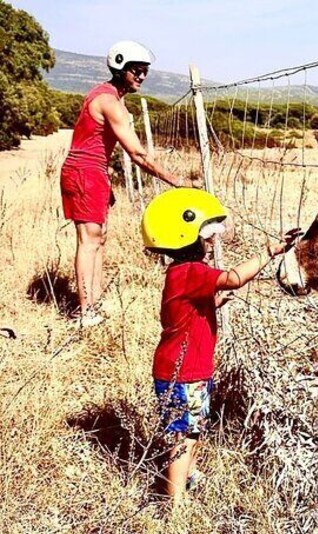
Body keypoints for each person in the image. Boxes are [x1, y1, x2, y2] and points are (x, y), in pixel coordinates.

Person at [141, 188, 300, 507]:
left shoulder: (179, 273)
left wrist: (213, 303)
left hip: (188, 370)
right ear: (187, 238)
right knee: (183, 437)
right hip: (182, 374)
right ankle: (175, 504)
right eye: (206, 238)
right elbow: (234, 277)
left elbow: (183, 313)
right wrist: (270, 251)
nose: (211, 245)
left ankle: (187, 475)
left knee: (193, 429)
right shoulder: (192, 272)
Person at [61, 40, 198, 327]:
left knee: (99, 237)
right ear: (120, 68)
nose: (142, 76)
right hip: (86, 171)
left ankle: (93, 303)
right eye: (136, 70)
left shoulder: (110, 96)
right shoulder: (110, 102)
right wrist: (175, 181)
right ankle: (86, 312)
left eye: (145, 71)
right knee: (89, 241)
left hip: (93, 171)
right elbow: (136, 153)